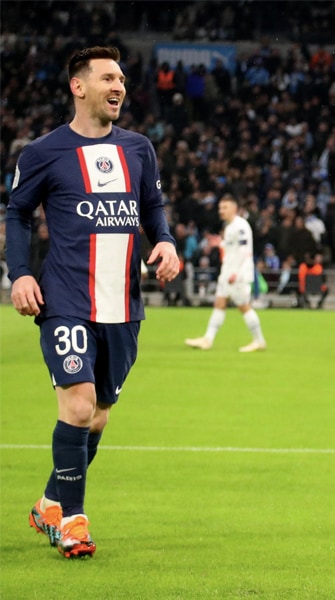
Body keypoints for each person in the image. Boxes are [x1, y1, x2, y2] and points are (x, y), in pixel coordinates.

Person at [6, 46, 181, 558]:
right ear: (78, 87)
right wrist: (18, 275)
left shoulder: (139, 148)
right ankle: (74, 523)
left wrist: (165, 241)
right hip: (64, 297)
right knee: (78, 404)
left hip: (122, 303)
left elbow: (151, 206)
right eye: (108, 77)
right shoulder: (43, 152)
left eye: (122, 79)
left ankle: (49, 502)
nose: (119, 86)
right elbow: (16, 214)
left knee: (98, 416)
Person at [185, 194, 267, 352]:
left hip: (237, 274)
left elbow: (245, 252)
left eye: (225, 207)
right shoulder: (229, 227)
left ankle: (259, 340)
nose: (221, 211)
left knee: (244, 306)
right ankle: (208, 339)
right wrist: (221, 244)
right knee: (219, 303)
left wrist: (236, 273)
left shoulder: (241, 226)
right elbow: (233, 249)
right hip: (227, 272)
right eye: (220, 208)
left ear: (234, 209)